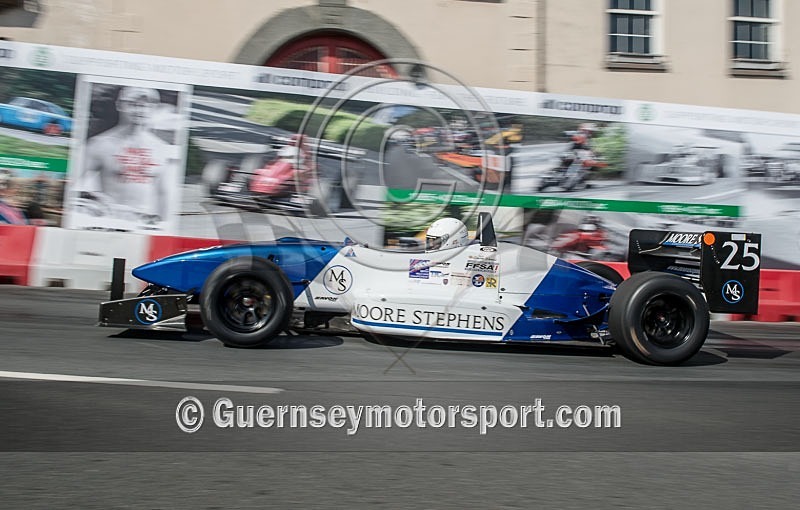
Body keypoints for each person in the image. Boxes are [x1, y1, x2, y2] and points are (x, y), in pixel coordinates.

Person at [74, 86, 177, 225]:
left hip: (145, 225)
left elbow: (164, 195)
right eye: (132, 104)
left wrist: (165, 227)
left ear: (154, 109)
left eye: (147, 105)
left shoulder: (161, 149)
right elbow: (69, 185)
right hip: (111, 223)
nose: (140, 110)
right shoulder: (100, 145)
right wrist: (92, 197)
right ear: (120, 105)